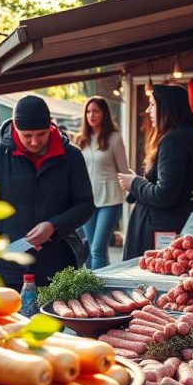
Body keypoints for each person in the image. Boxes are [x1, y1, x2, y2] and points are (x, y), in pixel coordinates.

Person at [0, 95, 94, 289]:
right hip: (8, 268)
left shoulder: (72, 156)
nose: (35, 142)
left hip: (58, 266)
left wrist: (54, 226)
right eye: (27, 135)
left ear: (51, 127)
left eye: (41, 134)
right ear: (15, 129)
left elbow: (85, 205)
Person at [119, 84, 193, 260]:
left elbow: (165, 194)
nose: (148, 110)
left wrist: (134, 183)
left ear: (166, 108)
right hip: (182, 226)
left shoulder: (173, 141)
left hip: (163, 230)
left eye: (152, 104)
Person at [75, 96, 128, 269]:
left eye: (96, 111)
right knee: (90, 248)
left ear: (104, 113)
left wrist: (133, 192)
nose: (91, 115)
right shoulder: (80, 140)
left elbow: (124, 170)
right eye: (88, 111)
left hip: (110, 199)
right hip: (87, 200)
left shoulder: (114, 138)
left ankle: (96, 292)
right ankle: (96, 286)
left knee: (97, 248)